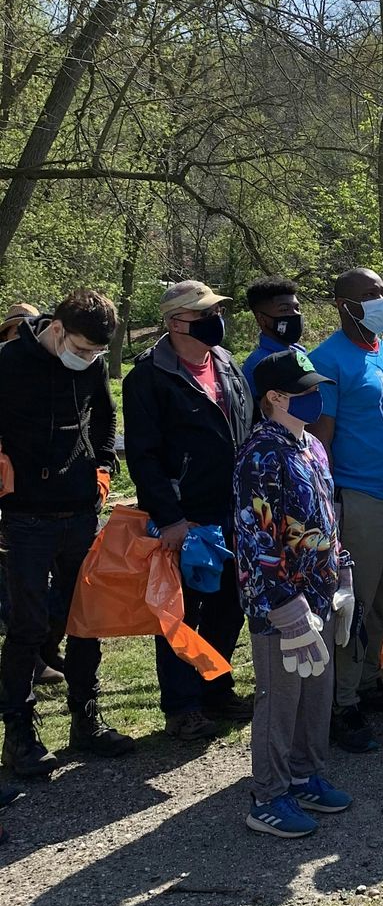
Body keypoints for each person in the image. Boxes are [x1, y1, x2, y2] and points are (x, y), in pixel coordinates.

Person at [0, 290, 135, 775]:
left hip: (79, 507)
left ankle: (86, 719)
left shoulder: (93, 366)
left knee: (86, 618)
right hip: (25, 515)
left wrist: (102, 467)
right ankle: (18, 733)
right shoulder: (9, 361)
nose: (87, 359)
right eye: (80, 349)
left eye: (96, 352)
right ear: (55, 327)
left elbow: (105, 415)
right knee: (28, 625)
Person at [122, 279, 255, 739]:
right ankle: (181, 706)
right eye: (204, 314)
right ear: (177, 322)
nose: (215, 321)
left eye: (215, 312)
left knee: (229, 604)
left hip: (235, 509)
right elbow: (143, 456)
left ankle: (215, 687)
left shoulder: (227, 363)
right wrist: (171, 518)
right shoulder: (148, 377)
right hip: (187, 515)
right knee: (183, 612)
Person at [234, 352, 354, 837]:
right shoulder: (260, 455)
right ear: (275, 398)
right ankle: (268, 794)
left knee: (315, 694)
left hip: (321, 595)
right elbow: (256, 537)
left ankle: (305, 775)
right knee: (279, 700)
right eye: (303, 390)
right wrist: (285, 607)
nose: (314, 397)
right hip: (280, 607)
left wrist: (343, 576)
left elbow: (328, 517)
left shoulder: (311, 447)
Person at [309, 268, 383, 754]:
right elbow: (321, 437)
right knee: (349, 609)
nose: (381, 300)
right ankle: (341, 704)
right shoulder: (327, 361)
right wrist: (327, 504)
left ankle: (369, 681)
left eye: (382, 292)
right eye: (369, 294)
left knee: (381, 601)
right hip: (356, 501)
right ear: (343, 304)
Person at [0, 301, 64, 689]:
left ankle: (48, 648)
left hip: (47, 503)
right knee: (13, 592)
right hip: (10, 505)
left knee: (54, 588)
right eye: (13, 332)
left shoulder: (55, 379)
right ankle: (29, 663)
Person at [241, 277, 322, 426]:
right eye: (284, 309)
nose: (295, 315)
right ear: (262, 319)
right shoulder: (260, 364)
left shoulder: (297, 351)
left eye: (297, 308)